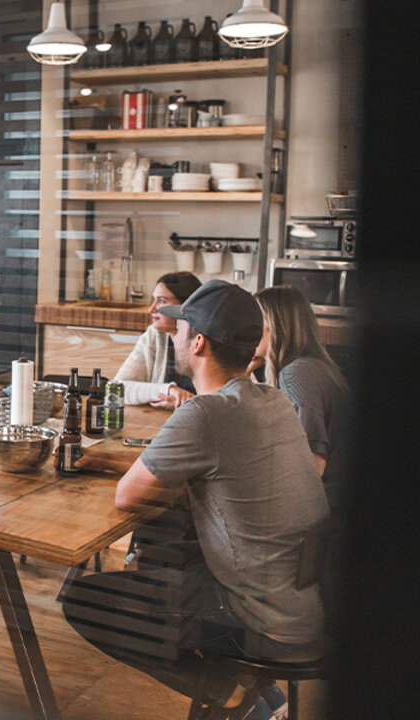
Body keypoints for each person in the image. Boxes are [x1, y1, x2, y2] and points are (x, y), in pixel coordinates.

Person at [64, 280, 330, 720]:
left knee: (86, 601)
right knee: (170, 552)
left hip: (257, 621)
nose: (177, 335)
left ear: (199, 342)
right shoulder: (272, 400)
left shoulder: (205, 413)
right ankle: (260, 696)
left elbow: (128, 495)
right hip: (303, 606)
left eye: (184, 327)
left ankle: (231, 694)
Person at [252, 285, 350, 510]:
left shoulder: (297, 373)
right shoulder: (310, 366)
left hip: (328, 506)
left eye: (255, 320)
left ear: (274, 325)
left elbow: (313, 465)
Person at [113, 271, 202, 407]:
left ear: (185, 306)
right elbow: (116, 389)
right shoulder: (154, 336)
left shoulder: (207, 340)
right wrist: (167, 390)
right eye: (153, 300)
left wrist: (184, 403)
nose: (151, 309)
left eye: (161, 301)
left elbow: (222, 402)